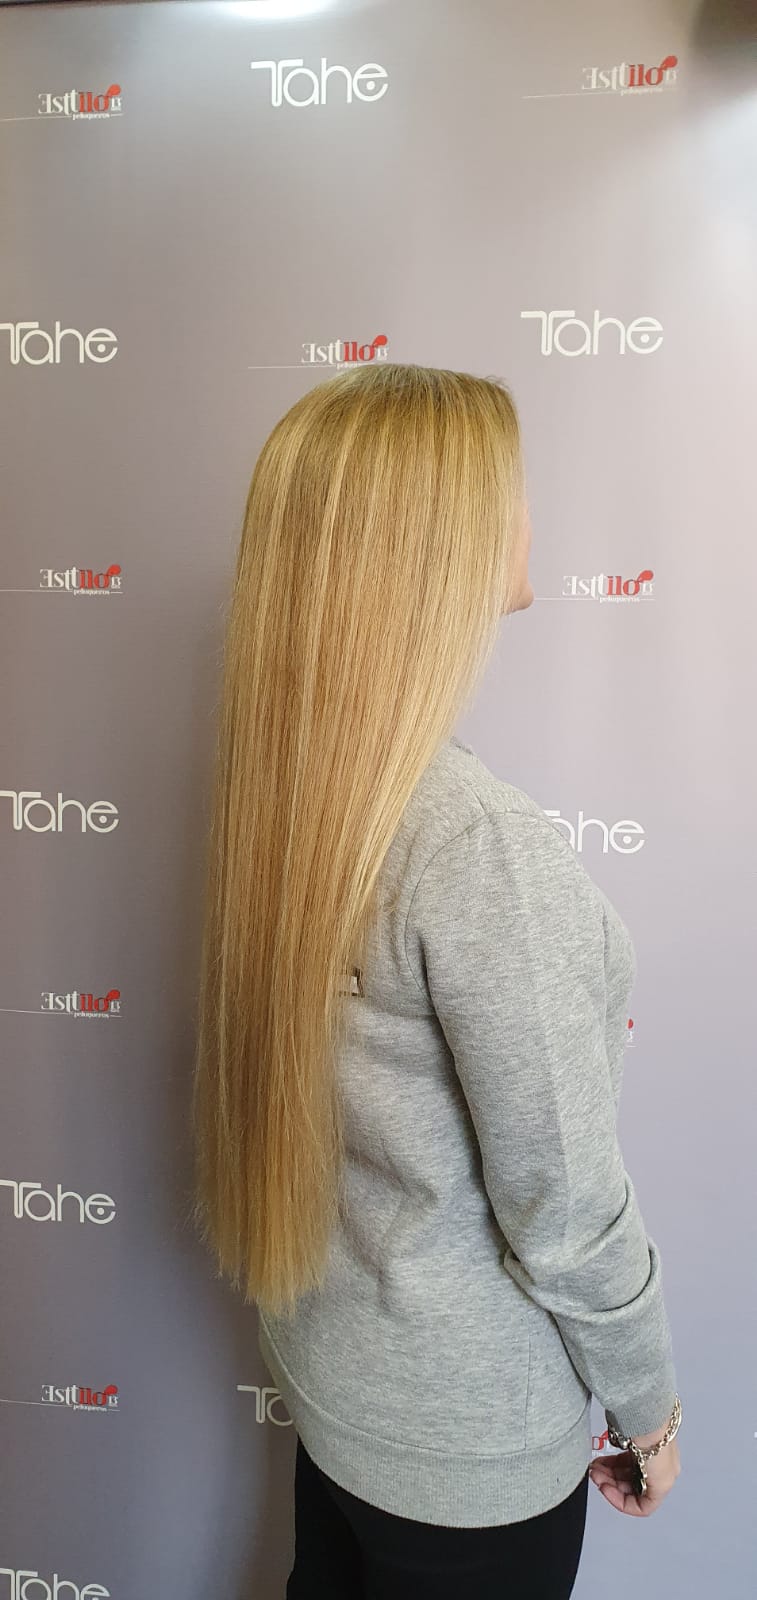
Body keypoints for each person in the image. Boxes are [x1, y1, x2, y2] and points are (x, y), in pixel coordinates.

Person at [190, 363, 682, 1597]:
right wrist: (648, 1402)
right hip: (462, 1453)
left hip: (340, 1388)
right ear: (438, 543)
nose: (529, 521)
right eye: (508, 494)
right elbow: (563, 1208)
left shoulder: (300, 800)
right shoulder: (472, 845)